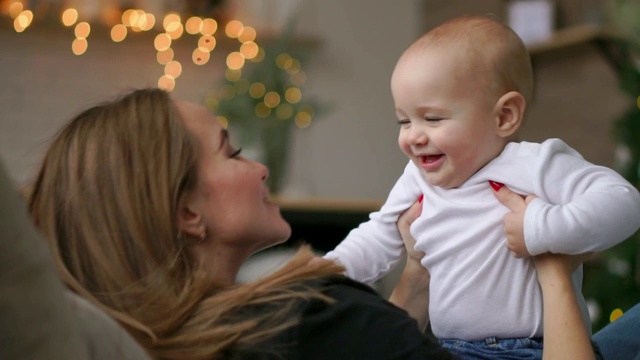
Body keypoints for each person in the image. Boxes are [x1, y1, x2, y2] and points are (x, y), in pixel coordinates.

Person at [21, 87, 605, 359]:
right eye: (232, 152)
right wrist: (551, 266)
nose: (261, 167)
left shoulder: (212, 339)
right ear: (186, 212)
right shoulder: (307, 313)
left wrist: (415, 273)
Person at [323, 14, 640, 358]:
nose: (413, 136)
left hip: (534, 349)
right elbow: (376, 237)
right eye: (404, 120)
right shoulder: (416, 178)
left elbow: (623, 201)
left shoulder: (535, 164)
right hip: (447, 349)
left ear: (504, 117)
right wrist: (320, 276)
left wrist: (542, 227)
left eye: (432, 118)